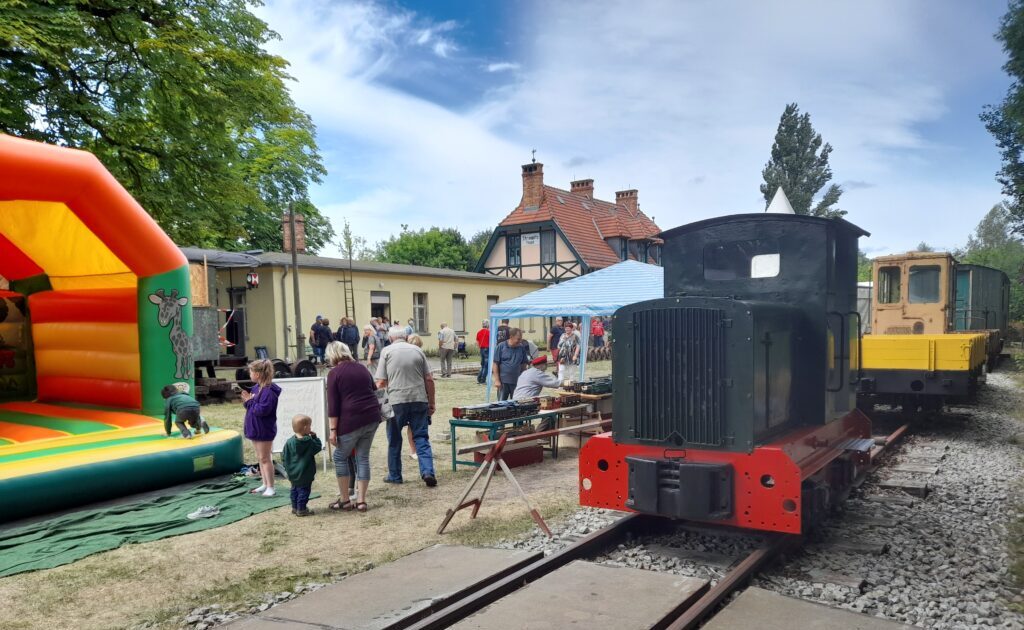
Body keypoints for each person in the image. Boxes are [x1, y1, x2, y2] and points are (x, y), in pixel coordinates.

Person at [376, 326, 437, 487]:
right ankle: (428, 472)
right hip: (419, 399)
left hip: (397, 402)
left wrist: (381, 408)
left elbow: (381, 382)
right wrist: (431, 403)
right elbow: (429, 379)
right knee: (421, 438)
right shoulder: (417, 351)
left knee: (395, 440)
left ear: (390, 338)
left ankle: (395, 475)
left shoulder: (387, 352)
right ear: (406, 336)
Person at [325, 342, 381, 512]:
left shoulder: (334, 373)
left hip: (351, 420)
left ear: (333, 355)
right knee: (362, 457)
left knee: (340, 457)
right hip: (371, 416)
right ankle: (362, 500)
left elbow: (333, 405)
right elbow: (373, 388)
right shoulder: (362, 368)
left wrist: (333, 430)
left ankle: (345, 500)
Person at [242, 359, 282, 497]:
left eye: (251, 371)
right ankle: (264, 483)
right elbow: (251, 407)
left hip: (264, 429)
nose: (250, 374)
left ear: (258, 374)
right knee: (260, 457)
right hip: (255, 428)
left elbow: (261, 411)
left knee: (265, 458)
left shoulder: (269, 392)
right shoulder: (256, 388)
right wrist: (248, 402)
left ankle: (271, 487)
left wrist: (249, 401)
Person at [282, 414, 322, 517]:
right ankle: (302, 509)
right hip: (305, 473)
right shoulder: (308, 442)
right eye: (309, 426)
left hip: (292, 473)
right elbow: (317, 447)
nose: (310, 428)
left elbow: (284, 456)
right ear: (305, 428)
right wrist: (314, 437)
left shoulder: (289, 442)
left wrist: (287, 468)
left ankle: (295, 507)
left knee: (294, 489)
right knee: (304, 491)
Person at [492, 327, 530, 401]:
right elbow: (495, 364)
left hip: (517, 382)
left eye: (521, 339)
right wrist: (497, 380)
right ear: (511, 337)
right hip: (503, 382)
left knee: (516, 403)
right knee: (501, 405)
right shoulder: (501, 346)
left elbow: (524, 364)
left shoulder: (521, 348)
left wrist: (524, 379)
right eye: (518, 339)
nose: (520, 341)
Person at [475, 320, 490, 384]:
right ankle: (483, 380)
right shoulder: (489, 332)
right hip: (488, 349)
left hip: (482, 349)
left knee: (483, 364)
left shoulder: (479, 332)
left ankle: (479, 378)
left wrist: (480, 348)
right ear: (488, 325)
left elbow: (477, 342)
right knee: (486, 366)